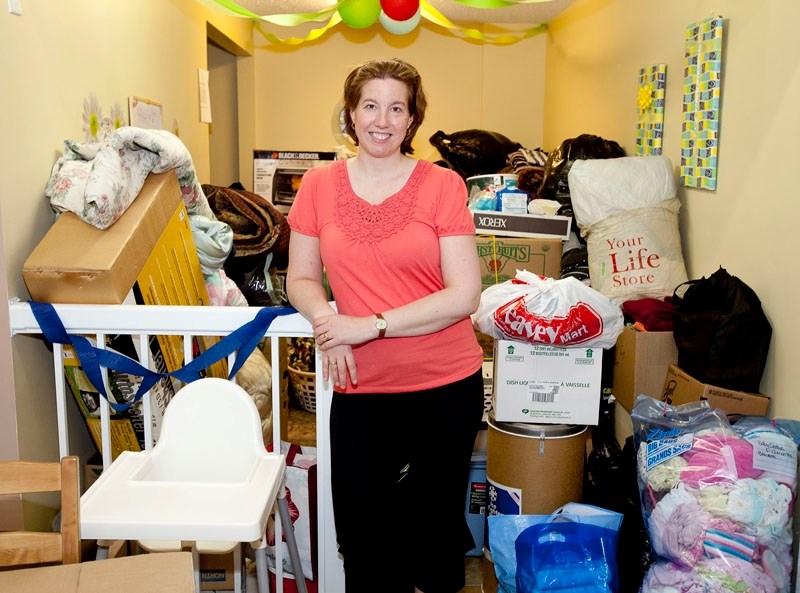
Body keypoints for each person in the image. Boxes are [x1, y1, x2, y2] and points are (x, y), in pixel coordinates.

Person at [286, 58, 485, 593]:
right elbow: (300, 278)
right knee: (361, 537)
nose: (382, 119)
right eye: (370, 105)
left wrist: (367, 326)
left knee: (434, 536)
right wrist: (329, 322)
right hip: (362, 388)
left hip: (445, 385)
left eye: (397, 107)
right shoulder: (318, 185)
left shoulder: (442, 185)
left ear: (412, 119)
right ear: (350, 114)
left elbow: (465, 294)